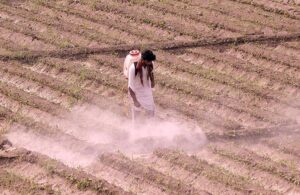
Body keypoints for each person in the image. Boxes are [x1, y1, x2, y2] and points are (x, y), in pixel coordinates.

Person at [128, 50, 156, 123]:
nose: (150, 63)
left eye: (151, 61)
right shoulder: (133, 68)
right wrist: (135, 101)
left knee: (151, 110)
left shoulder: (151, 64)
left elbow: (151, 73)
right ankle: (135, 130)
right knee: (137, 111)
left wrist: (152, 81)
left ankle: (151, 128)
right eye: (148, 61)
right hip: (136, 92)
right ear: (143, 60)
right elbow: (130, 87)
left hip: (147, 90)